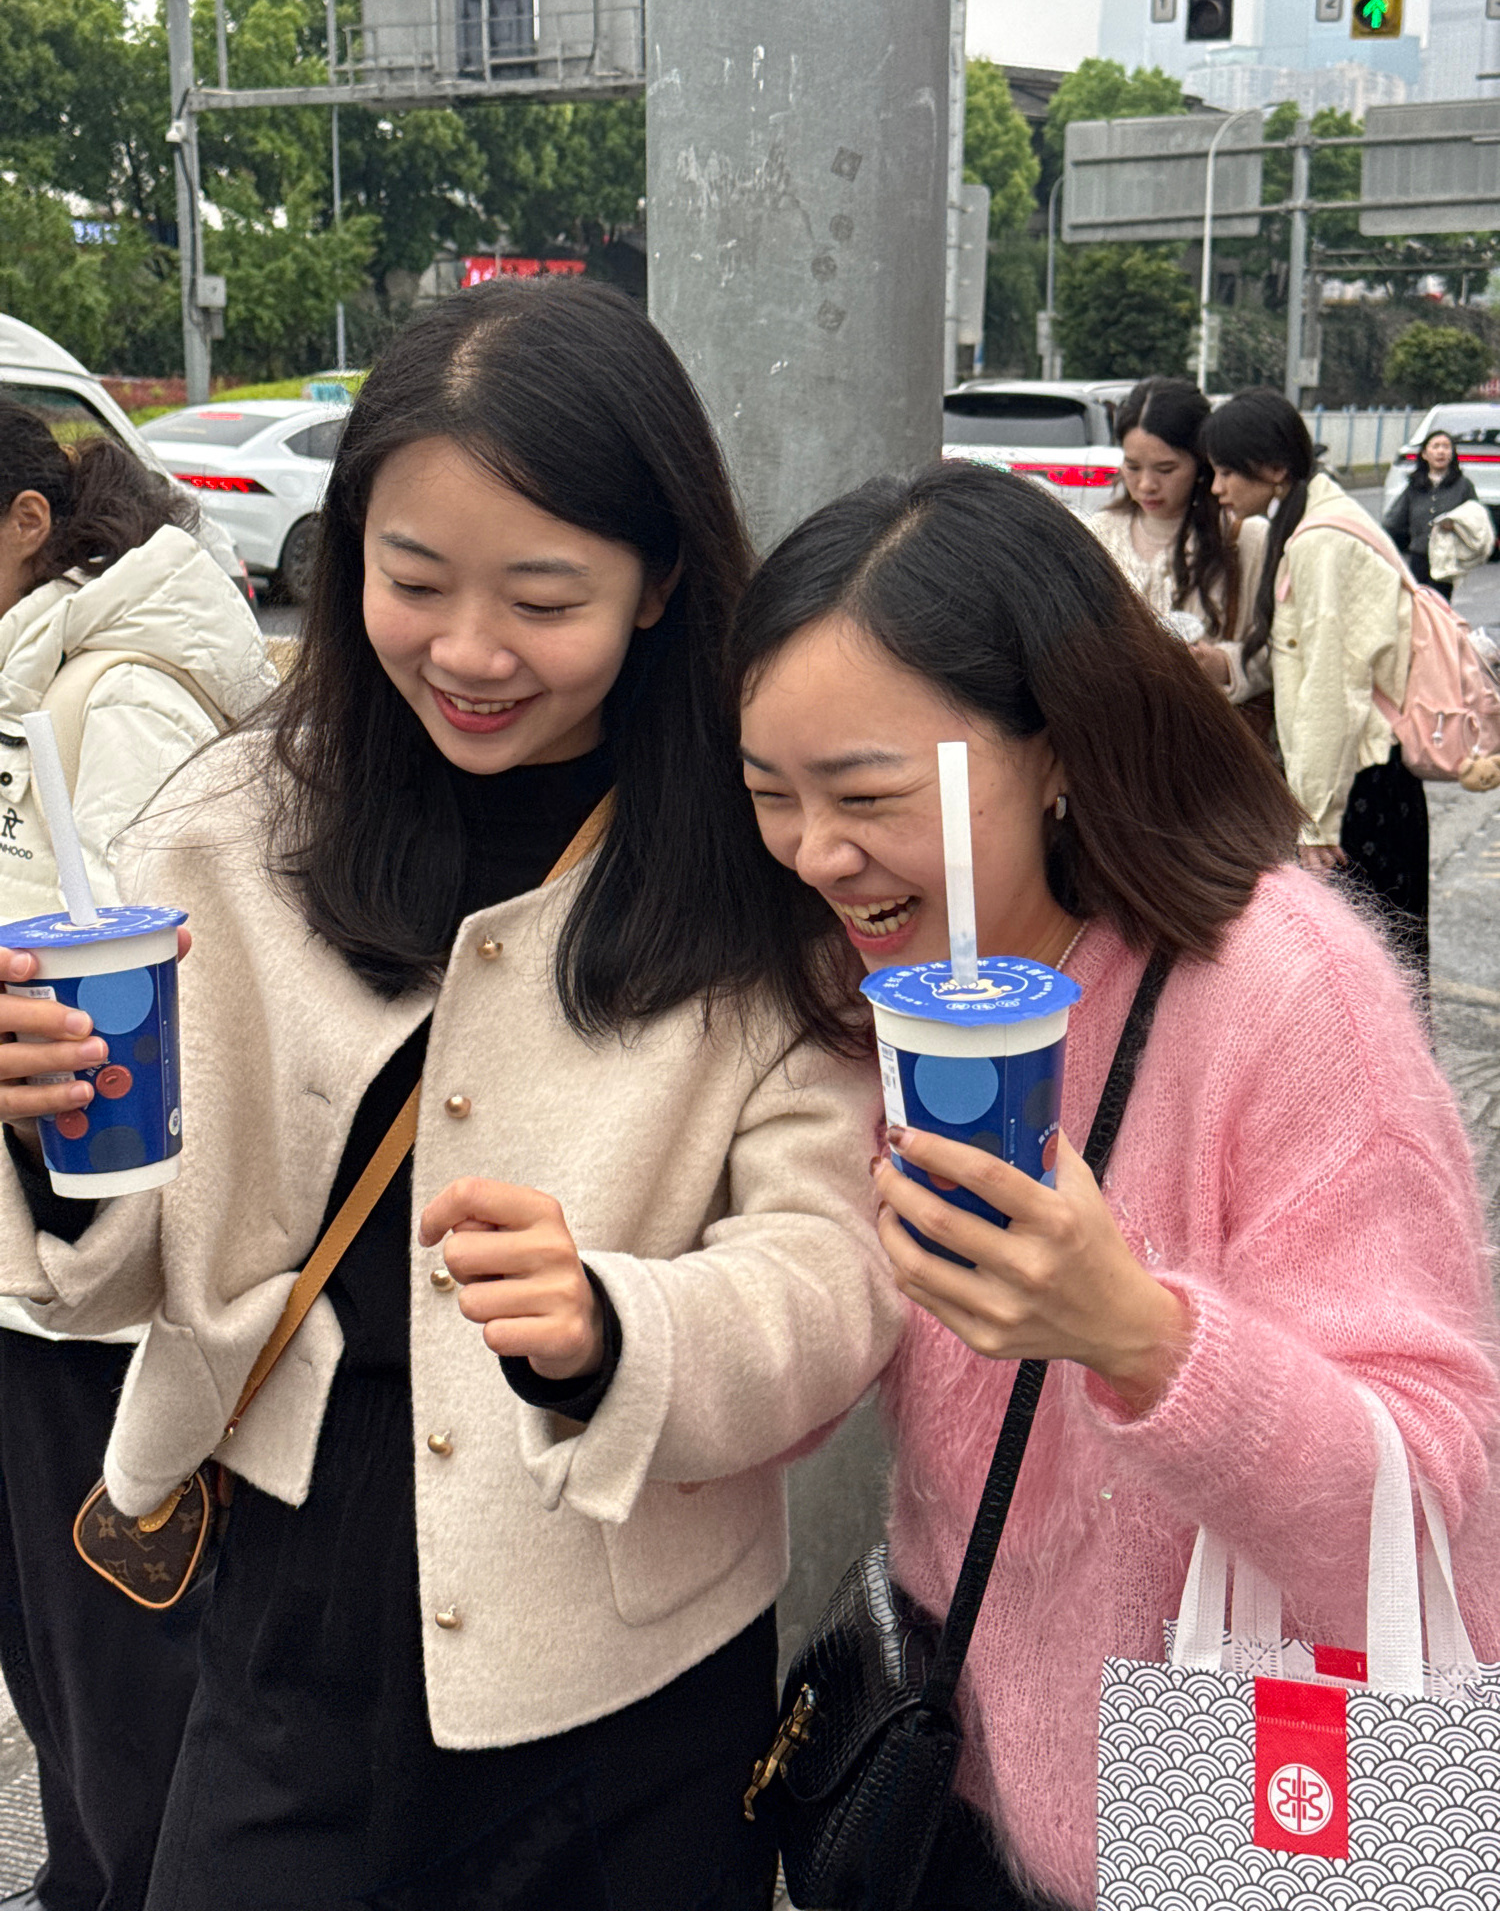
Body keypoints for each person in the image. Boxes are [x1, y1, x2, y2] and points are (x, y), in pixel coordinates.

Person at [0, 280, 899, 1911]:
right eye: (413, 582)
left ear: (660, 582)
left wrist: (620, 1327)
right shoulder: (236, 832)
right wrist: (50, 1127)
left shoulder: (753, 878)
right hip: (292, 1621)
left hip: (626, 1665)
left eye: (543, 599)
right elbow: (127, 1262)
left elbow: (832, 1269)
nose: (470, 653)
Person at [728, 459, 1500, 1911]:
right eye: (773, 794)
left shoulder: (1287, 991)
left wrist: (1141, 1338)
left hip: (1232, 1817)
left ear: (1057, 750)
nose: (817, 852)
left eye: (868, 794)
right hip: (954, 1780)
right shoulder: (863, 990)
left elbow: (1432, 1497)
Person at [0, 404, 275, 1911]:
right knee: (62, 1675)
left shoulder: (122, 697)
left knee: (120, 1687)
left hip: (94, 1283)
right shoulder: (31, 677)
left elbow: (174, 989)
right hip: (35, 1269)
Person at [1201, 387, 1430, 983]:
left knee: (1361, 976)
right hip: (1366, 782)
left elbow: (1331, 689)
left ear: (1275, 469)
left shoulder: (1321, 542)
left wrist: (1316, 821)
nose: (1217, 488)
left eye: (1227, 471)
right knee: (1381, 964)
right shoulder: (1319, 519)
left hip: (1358, 791)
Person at [1088, 377, 1267, 714]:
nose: (1146, 485)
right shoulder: (1099, 534)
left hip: (1209, 732)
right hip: (1120, 730)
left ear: (1200, 463)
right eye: (1132, 467)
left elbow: (1282, 650)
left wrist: (1222, 665)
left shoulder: (1245, 537)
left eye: (1166, 469)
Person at [1383, 428, 1479, 598]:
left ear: (1452, 454)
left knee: (1439, 604)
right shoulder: (1415, 486)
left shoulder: (1463, 486)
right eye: (1435, 446)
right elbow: (1394, 521)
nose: (1441, 452)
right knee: (1418, 602)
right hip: (1418, 556)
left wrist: (1456, 524)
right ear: (1425, 454)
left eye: (1446, 447)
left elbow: (1477, 519)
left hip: (1446, 558)